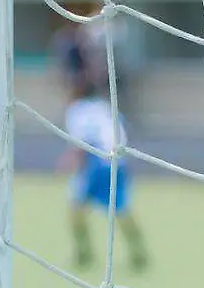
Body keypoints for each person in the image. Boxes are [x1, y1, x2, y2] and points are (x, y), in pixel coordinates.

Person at [58, 77, 148, 272]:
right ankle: (139, 252)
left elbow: (84, 139)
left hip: (95, 162)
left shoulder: (77, 110)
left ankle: (83, 254)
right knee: (120, 208)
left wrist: (72, 160)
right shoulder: (106, 107)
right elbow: (121, 133)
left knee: (76, 207)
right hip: (117, 162)